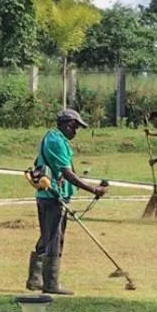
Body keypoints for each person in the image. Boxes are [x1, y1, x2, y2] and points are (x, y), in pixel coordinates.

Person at [26, 108, 107, 295]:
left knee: (47, 236)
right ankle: (51, 283)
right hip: (53, 196)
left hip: (46, 195)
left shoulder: (52, 137)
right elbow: (66, 172)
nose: (76, 132)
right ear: (69, 124)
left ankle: (34, 279)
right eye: (76, 127)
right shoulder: (57, 141)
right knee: (55, 239)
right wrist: (93, 189)